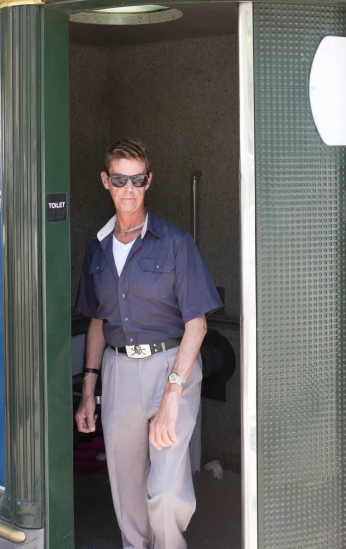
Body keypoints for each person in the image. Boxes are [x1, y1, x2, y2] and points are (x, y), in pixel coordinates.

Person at [75, 137, 222, 549]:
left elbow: (198, 326)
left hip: (171, 367)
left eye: (137, 180)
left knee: (166, 489)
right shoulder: (97, 247)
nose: (128, 189)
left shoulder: (175, 243)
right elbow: (98, 323)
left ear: (148, 181)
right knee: (126, 489)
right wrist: (89, 391)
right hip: (118, 372)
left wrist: (173, 392)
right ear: (106, 180)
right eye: (119, 179)